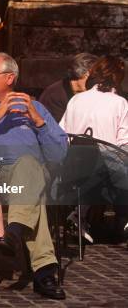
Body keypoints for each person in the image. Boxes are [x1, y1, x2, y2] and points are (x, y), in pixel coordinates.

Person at [0, 51, 67, 300]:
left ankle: (14, 231)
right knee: (33, 196)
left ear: (9, 78)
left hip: (30, 175)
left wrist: (38, 121)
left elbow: (59, 154)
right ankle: (44, 273)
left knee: (29, 166)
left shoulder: (35, 107)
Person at [59, 55, 128, 242]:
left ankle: (80, 213)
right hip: (103, 174)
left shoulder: (76, 100)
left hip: (73, 169)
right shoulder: (119, 103)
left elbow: (61, 134)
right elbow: (123, 144)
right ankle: (123, 219)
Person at [39, 53, 98, 122]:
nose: (97, 81)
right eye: (94, 77)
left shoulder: (88, 94)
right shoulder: (53, 95)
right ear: (85, 74)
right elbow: (55, 128)